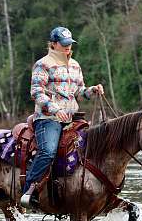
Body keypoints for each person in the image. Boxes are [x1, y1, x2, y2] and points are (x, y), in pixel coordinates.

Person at [20, 26, 104, 209]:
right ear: (54, 44)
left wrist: (92, 90)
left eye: (70, 44)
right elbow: (36, 92)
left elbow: (79, 92)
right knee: (48, 152)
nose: (68, 48)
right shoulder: (43, 64)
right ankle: (29, 191)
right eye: (64, 44)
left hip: (73, 117)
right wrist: (54, 108)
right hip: (48, 119)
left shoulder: (75, 65)